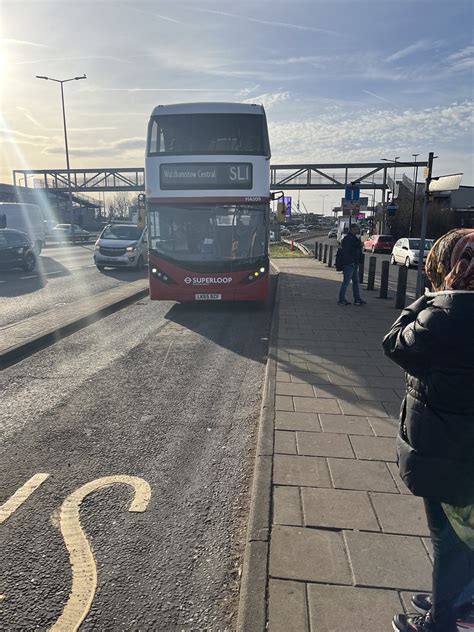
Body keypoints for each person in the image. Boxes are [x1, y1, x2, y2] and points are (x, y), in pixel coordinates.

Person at [383, 229, 474, 632]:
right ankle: (458, 602)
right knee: (467, 537)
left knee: (450, 540)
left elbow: (395, 343)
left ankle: (440, 621)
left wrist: (431, 297)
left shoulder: (446, 313)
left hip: (449, 454)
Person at [337, 223, 366, 305]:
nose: (358, 231)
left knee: (356, 282)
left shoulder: (354, 238)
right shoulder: (348, 239)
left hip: (354, 263)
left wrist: (360, 244)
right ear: (352, 229)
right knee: (346, 282)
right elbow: (346, 251)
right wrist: (351, 261)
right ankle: (341, 299)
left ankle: (357, 299)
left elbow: (356, 248)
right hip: (349, 264)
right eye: (356, 229)